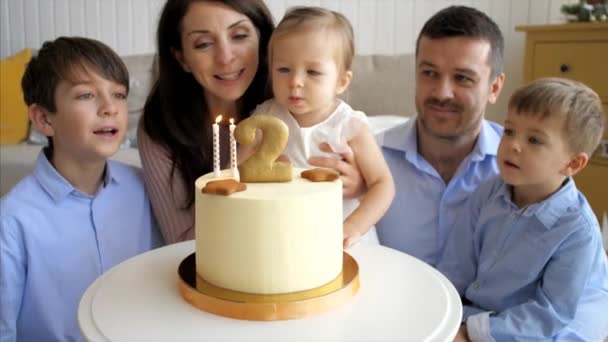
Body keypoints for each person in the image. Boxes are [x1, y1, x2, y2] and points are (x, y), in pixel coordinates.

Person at [139, 0, 364, 244]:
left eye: (239, 35)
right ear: (182, 58)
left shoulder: (296, 101)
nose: (225, 58)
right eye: (203, 44)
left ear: (263, 41)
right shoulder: (160, 127)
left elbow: (369, 183)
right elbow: (183, 242)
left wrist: (359, 186)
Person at [0, 37, 162, 342]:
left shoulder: (144, 189)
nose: (109, 108)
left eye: (119, 94)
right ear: (44, 119)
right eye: (86, 95)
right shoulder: (12, 220)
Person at [437, 77, 608, 341]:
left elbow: (549, 314)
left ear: (572, 164)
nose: (513, 145)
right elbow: (457, 263)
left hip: (538, 328)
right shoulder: (488, 193)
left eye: (535, 140)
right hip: (478, 313)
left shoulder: (577, 231)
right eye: (509, 131)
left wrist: (471, 333)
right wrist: (441, 309)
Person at [241, 6, 395, 248]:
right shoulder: (266, 116)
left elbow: (383, 184)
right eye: (283, 69)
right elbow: (237, 170)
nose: (295, 82)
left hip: (340, 237)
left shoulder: (348, 124)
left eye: (313, 72)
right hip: (283, 235)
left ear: (341, 81)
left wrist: (354, 226)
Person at [376, 6, 505, 266]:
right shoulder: (369, 160)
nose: (442, 92)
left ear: (494, 87)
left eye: (463, 78)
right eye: (429, 73)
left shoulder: (525, 166)